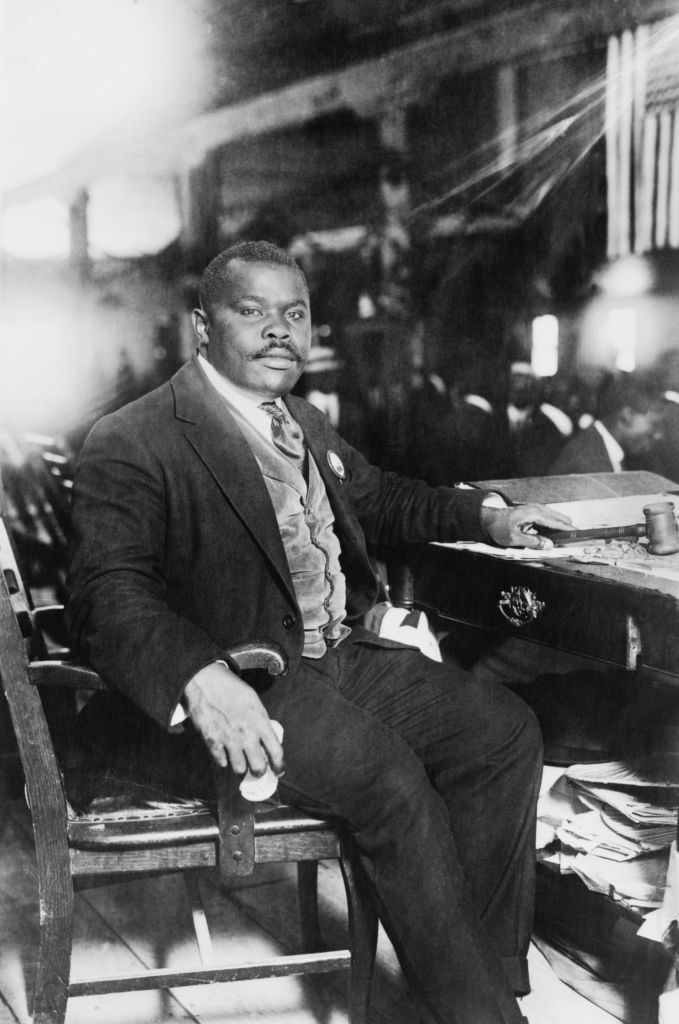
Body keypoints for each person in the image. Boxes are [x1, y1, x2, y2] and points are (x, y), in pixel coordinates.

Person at [66, 240, 572, 1024]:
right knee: (392, 784)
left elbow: (381, 499)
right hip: (246, 679)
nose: (279, 331)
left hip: (336, 657)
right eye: (253, 311)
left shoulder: (298, 421)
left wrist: (488, 518)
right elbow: (107, 595)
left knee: (501, 733)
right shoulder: (134, 437)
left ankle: (477, 985)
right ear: (203, 327)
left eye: (294, 314)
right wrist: (202, 680)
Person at [548, 372, 664, 476]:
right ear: (628, 415)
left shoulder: (601, 449)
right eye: (654, 424)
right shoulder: (589, 465)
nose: (658, 435)